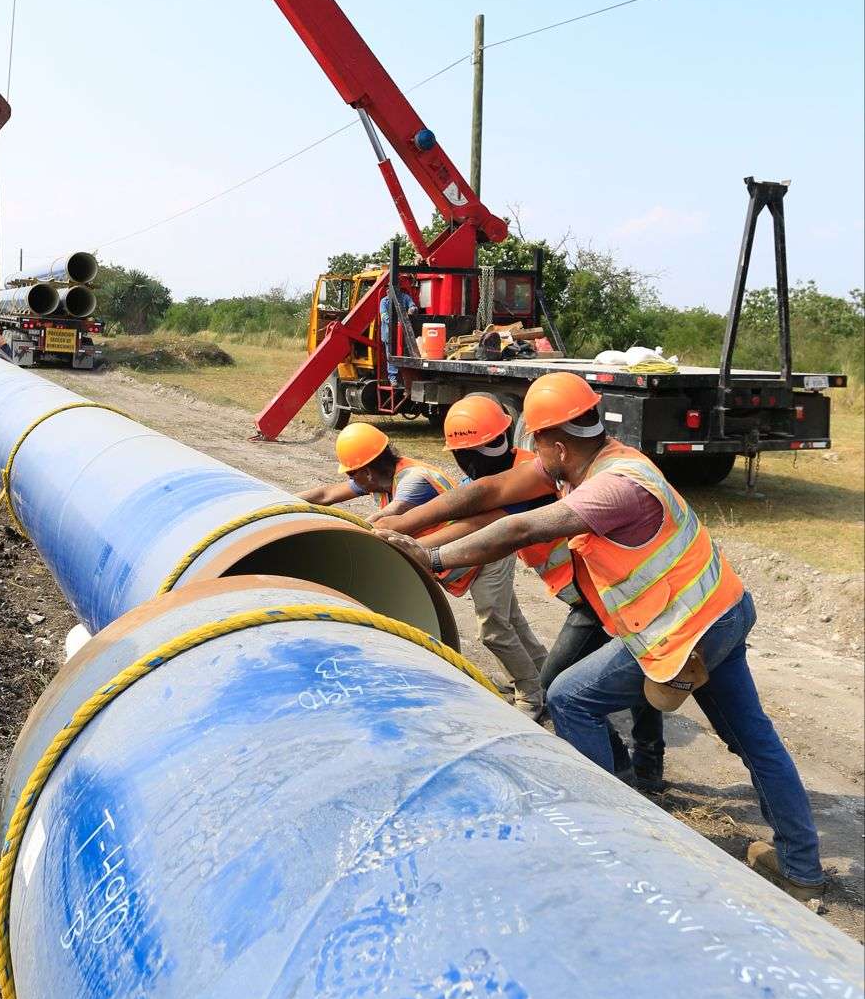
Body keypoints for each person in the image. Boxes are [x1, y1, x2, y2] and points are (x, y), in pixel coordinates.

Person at [380, 372, 825, 901]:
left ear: (557, 445)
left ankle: (616, 841)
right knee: (754, 739)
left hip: (684, 629)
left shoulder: (616, 486)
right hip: (721, 608)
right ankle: (801, 868)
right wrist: (395, 527)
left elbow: (520, 529)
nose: (533, 453)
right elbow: (489, 491)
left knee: (570, 698)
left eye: (537, 442)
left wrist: (431, 557)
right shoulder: (594, 460)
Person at [375, 396, 664, 790]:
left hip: (599, 597)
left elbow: (482, 525)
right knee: (637, 671)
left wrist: (419, 551)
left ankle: (622, 769)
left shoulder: (532, 475)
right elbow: (466, 504)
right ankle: (646, 763)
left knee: (561, 687)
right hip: (592, 595)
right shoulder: (509, 470)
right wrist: (397, 526)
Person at [301, 419, 545, 716]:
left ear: (367, 470)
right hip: (464, 551)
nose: (352, 481)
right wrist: (278, 507)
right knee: (511, 619)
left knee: (493, 628)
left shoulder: (413, 481)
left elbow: (386, 521)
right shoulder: (379, 477)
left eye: (353, 474)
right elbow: (325, 495)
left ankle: (531, 696)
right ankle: (542, 672)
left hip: (485, 553)